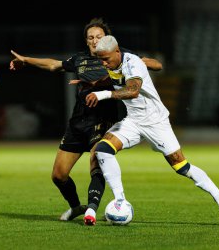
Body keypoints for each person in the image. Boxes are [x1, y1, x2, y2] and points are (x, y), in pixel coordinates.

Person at [10, 18, 162, 225]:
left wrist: (138, 62)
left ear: (107, 39)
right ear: (86, 41)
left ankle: (91, 210)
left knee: (97, 161)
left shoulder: (120, 55)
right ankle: (76, 207)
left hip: (104, 120)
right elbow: (54, 65)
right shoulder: (80, 60)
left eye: (98, 36)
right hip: (78, 122)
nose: (94, 40)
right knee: (58, 175)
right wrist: (26, 60)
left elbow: (156, 64)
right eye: (90, 37)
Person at [86, 35, 219, 224]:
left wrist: (102, 93)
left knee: (181, 166)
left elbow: (133, 91)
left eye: (106, 58)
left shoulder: (132, 63)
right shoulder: (113, 64)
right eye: (101, 60)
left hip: (156, 122)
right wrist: (93, 84)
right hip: (133, 121)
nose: (103, 63)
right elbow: (118, 74)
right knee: (103, 150)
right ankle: (120, 200)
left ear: (117, 52)